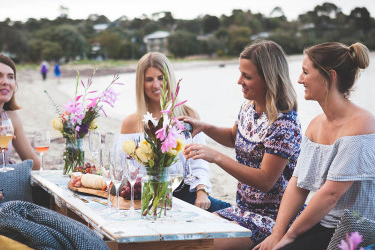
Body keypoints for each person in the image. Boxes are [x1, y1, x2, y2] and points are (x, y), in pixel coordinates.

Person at [182, 40, 302, 249]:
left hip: (272, 219)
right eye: (240, 73)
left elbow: (266, 181)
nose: (239, 81)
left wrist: (216, 157)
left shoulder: (285, 124)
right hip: (242, 210)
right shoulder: (248, 107)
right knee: (186, 237)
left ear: (269, 79)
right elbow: (233, 137)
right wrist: (204, 127)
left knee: (201, 247)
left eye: (247, 76)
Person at [255, 42, 375, 250]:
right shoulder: (315, 125)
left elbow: (330, 195)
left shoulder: (361, 125)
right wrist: (277, 233)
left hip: (357, 230)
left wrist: (288, 237)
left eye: (305, 72)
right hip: (325, 223)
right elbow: (298, 184)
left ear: (330, 76)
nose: (300, 80)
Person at [120, 52, 230, 212]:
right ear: (141, 83)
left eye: (160, 77)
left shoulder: (188, 115)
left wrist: (202, 192)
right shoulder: (131, 123)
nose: (156, 85)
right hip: (147, 199)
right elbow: (124, 171)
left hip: (185, 194)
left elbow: (199, 162)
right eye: (149, 79)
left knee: (231, 214)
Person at [0, 53, 40, 169]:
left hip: (5, 183)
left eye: (10, 77)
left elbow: (34, 164)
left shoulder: (11, 117)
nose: (6, 82)